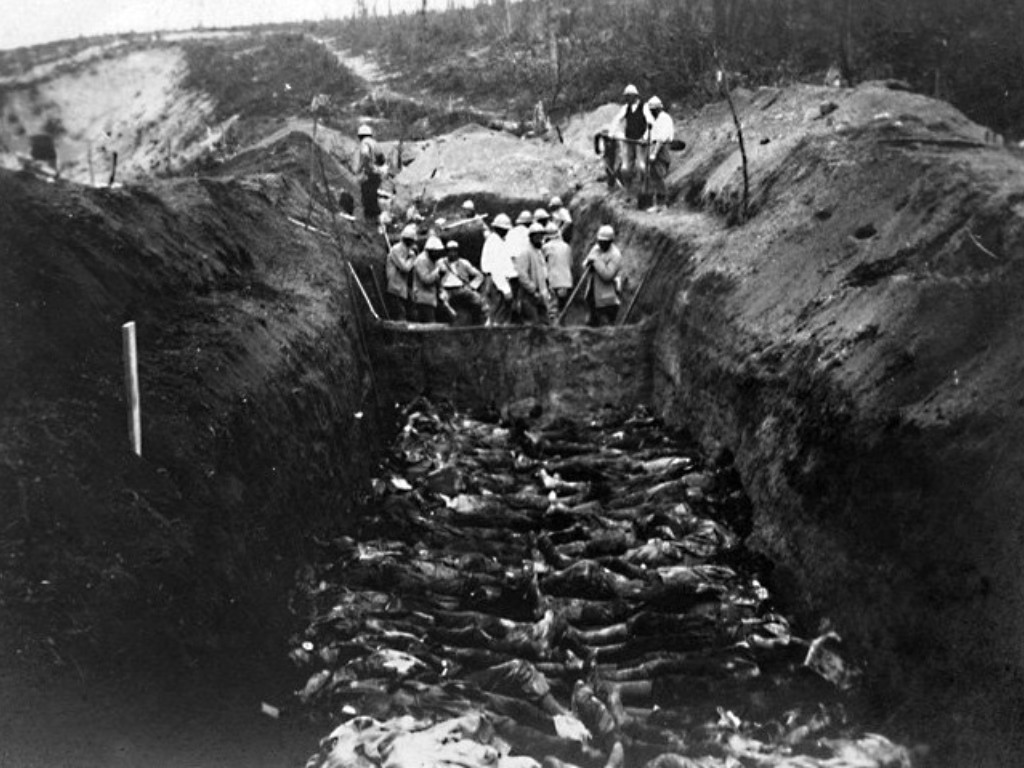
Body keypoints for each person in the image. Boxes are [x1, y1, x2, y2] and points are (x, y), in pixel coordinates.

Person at [609, 84, 649, 187]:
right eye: (626, 96)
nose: (626, 98)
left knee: (641, 167)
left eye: (628, 96)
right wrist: (611, 133)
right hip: (629, 141)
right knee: (625, 169)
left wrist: (645, 137)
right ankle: (628, 186)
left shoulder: (644, 108)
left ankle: (643, 185)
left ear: (635, 96)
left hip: (641, 142)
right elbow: (617, 120)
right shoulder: (626, 108)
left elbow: (650, 124)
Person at [480, 213, 516, 325]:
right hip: (496, 282)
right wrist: (505, 289)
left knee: (493, 314)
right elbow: (497, 269)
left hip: (494, 281)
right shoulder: (495, 243)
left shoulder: (494, 241)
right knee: (497, 314)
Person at [440, 240, 487, 325]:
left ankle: (477, 322)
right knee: (443, 301)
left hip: (461, 288)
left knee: (477, 299)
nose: (452, 253)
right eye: (450, 250)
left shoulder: (464, 263)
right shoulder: (441, 263)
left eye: (454, 250)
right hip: (446, 290)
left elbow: (479, 275)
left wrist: (472, 286)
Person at [584, 225, 622, 327]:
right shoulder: (596, 248)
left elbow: (608, 275)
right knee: (590, 325)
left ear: (610, 242)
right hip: (592, 294)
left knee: (605, 327)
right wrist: (588, 263)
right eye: (600, 241)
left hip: (607, 300)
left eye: (604, 242)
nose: (601, 244)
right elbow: (586, 263)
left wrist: (596, 262)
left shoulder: (615, 255)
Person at [513, 222, 551, 324]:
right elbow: (521, 274)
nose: (540, 239)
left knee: (545, 322)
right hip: (529, 296)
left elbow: (543, 271)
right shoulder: (525, 252)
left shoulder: (538, 251)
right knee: (532, 324)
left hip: (541, 294)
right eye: (537, 236)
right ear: (531, 237)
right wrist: (533, 290)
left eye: (541, 236)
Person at [645, 96, 675, 211]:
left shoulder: (664, 118)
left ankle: (663, 204)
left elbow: (661, 139)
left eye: (652, 110)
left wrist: (654, 154)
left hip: (661, 150)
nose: (651, 112)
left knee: (658, 176)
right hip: (655, 148)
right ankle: (658, 204)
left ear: (657, 109)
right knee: (654, 177)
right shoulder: (657, 120)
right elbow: (652, 136)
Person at [352, 124, 386, 223]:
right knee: (373, 198)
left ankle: (366, 222)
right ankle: (375, 220)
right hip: (376, 175)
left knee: (364, 198)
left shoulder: (364, 143)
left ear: (360, 136)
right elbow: (382, 159)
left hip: (368, 175)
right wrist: (376, 167)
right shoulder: (375, 143)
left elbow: (365, 154)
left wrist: (364, 166)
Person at [385, 224, 418, 321]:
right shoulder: (396, 250)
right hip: (395, 288)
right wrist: (412, 258)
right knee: (400, 314)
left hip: (404, 289)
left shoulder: (408, 251)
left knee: (410, 314)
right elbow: (405, 268)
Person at [410, 236, 445, 323]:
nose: (438, 255)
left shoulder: (434, 260)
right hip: (423, 298)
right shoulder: (421, 260)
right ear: (430, 251)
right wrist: (438, 272)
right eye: (436, 252)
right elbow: (426, 280)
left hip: (432, 297)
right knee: (429, 322)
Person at [542, 221, 573, 318]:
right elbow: (570, 264)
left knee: (553, 308)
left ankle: (554, 326)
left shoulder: (546, 247)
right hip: (566, 281)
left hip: (553, 281)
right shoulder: (567, 246)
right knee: (563, 307)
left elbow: (542, 264)